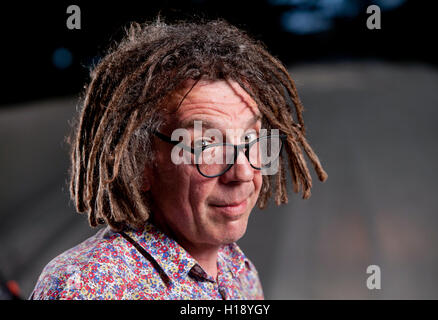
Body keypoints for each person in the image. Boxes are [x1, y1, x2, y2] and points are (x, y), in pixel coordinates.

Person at [30, 17, 327, 300]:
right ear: (141, 162)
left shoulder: (240, 273)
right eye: (207, 145)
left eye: (251, 139)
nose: (244, 173)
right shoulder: (87, 288)